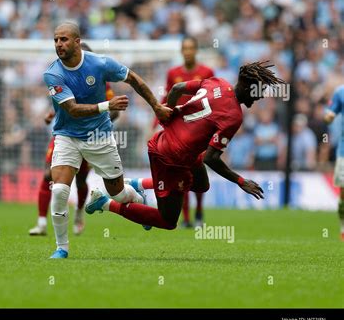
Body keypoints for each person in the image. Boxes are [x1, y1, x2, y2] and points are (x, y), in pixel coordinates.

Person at [86, 62, 285, 230]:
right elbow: (211, 159)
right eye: (259, 91)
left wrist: (166, 116)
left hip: (178, 147)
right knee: (168, 220)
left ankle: (138, 184)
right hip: (169, 156)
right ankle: (105, 203)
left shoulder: (218, 82)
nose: (259, 96)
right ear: (249, 88)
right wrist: (241, 181)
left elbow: (176, 89)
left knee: (201, 185)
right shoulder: (233, 116)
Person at [44, 22, 172, 258]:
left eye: (64, 39)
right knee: (60, 190)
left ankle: (136, 194)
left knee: (118, 194)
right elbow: (72, 109)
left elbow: (133, 78)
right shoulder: (52, 73)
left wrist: (156, 106)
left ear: (77, 41)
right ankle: (62, 248)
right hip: (67, 136)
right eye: (56, 40)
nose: (59, 44)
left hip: (98, 136)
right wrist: (107, 106)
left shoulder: (100, 63)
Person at [30, 42, 119, 237]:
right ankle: (41, 223)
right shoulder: (63, 75)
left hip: (90, 136)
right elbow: (64, 103)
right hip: (64, 134)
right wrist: (51, 114)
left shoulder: (102, 81)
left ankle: (79, 213)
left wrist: (99, 119)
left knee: (80, 180)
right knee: (48, 175)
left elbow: (115, 110)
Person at [155, 36, 214, 228]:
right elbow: (167, 96)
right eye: (185, 48)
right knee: (182, 172)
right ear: (181, 51)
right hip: (179, 130)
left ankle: (198, 211)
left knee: (197, 170)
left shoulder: (206, 72)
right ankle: (187, 218)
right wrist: (156, 118)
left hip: (200, 128)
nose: (188, 51)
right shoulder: (174, 73)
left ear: (196, 50)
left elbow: (212, 98)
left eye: (191, 48)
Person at [324, 84, 344, 241]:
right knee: (343, 194)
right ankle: (343, 227)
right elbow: (330, 113)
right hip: (343, 152)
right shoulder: (340, 92)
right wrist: (329, 116)